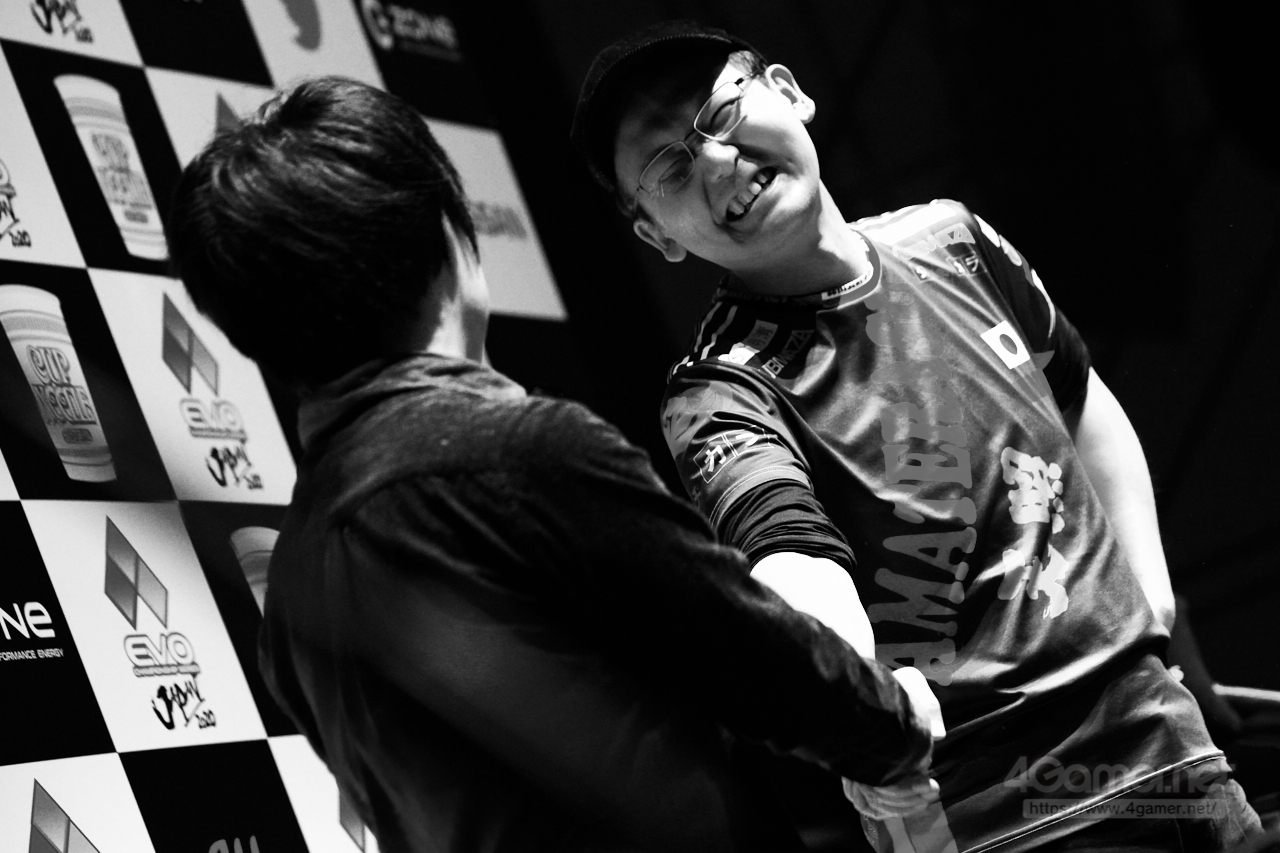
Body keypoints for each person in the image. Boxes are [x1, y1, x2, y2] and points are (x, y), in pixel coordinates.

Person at [165, 76, 942, 853]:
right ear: (444, 231)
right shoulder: (511, 454)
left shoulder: (290, 594)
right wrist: (893, 724)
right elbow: (759, 662)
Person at [570, 20, 1264, 852]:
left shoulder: (952, 237)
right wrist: (856, 702)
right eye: (670, 167)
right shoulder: (721, 389)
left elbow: (1080, 402)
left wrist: (1155, 599)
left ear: (789, 91)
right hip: (1008, 819)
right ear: (656, 234)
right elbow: (792, 561)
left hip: (1175, 756)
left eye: (720, 114)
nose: (717, 161)